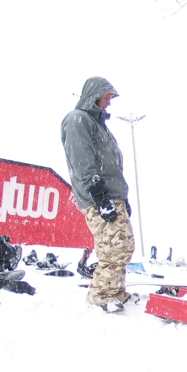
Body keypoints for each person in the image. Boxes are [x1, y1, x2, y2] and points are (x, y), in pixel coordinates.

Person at [61, 77, 135, 313]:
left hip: (112, 195)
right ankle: (101, 295)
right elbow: (83, 161)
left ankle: (115, 291)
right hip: (99, 196)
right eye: (107, 98)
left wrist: (121, 198)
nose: (109, 103)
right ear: (95, 95)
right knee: (116, 247)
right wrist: (100, 195)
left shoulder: (96, 123)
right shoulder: (78, 120)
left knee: (123, 244)